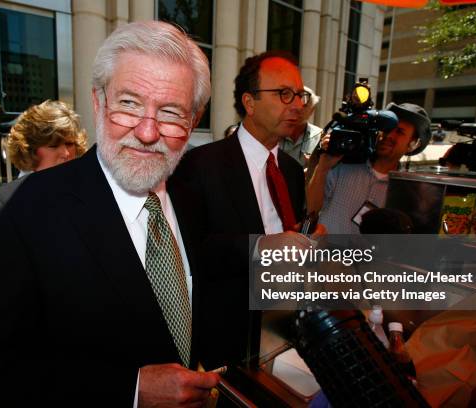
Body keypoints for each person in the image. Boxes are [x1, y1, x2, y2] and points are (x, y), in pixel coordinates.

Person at [0, 21, 220, 406]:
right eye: (128, 103)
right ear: (98, 102)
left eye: (171, 112)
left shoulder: (193, 197)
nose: (146, 132)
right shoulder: (24, 211)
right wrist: (130, 389)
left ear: (193, 121)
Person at [174, 50, 321, 368]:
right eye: (284, 94)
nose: (297, 105)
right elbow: (191, 254)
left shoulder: (294, 172)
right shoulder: (201, 165)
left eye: (299, 95)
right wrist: (260, 246)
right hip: (227, 339)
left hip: (284, 330)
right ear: (249, 102)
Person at [0, 100, 86, 317]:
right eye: (54, 145)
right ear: (31, 149)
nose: (66, 153)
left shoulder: (81, 196)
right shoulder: (0, 205)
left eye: (70, 143)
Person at [307, 102, 431, 234]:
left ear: (412, 144)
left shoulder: (404, 190)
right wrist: (322, 168)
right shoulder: (342, 163)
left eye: (399, 132)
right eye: (387, 128)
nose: (389, 135)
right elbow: (311, 210)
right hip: (326, 252)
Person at [279, 85, 322, 169]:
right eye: (293, 105)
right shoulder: (272, 133)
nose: (298, 109)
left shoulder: (320, 137)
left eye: (304, 106)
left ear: (312, 110)